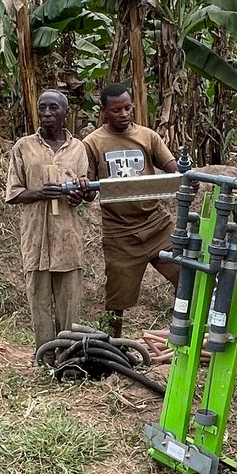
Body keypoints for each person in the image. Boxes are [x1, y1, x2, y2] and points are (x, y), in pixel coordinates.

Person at [81, 82, 179, 337]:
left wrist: (184, 174)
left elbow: (173, 170)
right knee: (117, 300)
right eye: (116, 110)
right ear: (103, 111)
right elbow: (90, 191)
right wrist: (82, 186)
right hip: (120, 234)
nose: (123, 114)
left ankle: (186, 334)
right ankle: (114, 346)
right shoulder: (93, 143)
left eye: (127, 108)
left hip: (157, 226)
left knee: (187, 278)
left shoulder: (148, 137)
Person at [6, 90, 98, 351]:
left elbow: (87, 192)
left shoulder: (78, 148)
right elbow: (13, 193)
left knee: (69, 300)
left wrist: (81, 192)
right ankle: (44, 355)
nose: (47, 113)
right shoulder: (24, 147)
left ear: (65, 113)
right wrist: (38, 193)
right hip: (35, 237)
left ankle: (68, 355)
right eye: (43, 108)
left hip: (67, 236)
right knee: (39, 299)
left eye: (54, 108)